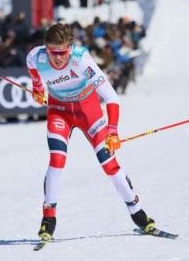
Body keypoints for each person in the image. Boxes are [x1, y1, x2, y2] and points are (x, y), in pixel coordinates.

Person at [26, 23, 155, 241]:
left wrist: (113, 131)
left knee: (108, 163)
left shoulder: (81, 61)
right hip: (59, 112)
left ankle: (138, 213)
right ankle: (48, 220)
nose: (57, 58)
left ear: (70, 48)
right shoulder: (36, 57)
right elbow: (32, 68)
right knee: (56, 160)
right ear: (45, 48)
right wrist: (38, 88)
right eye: (52, 52)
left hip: (88, 111)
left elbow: (112, 97)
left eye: (62, 52)